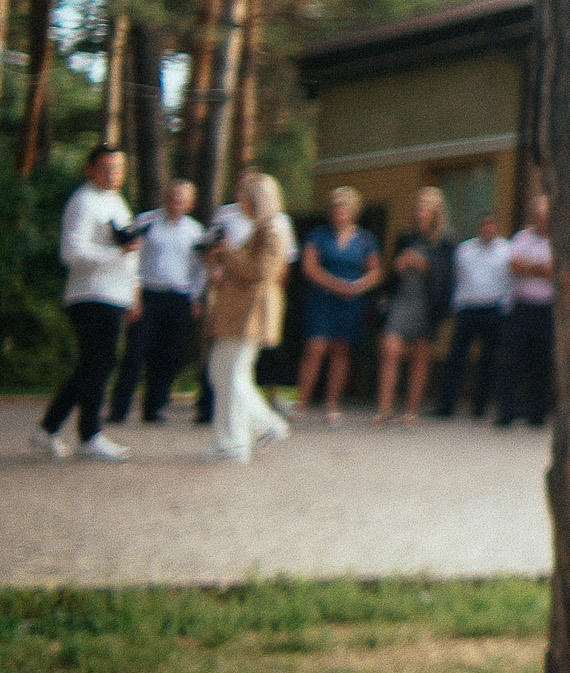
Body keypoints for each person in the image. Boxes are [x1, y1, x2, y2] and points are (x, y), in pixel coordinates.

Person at [33, 145, 141, 460]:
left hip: (114, 294)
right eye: (106, 167)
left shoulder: (116, 201)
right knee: (98, 364)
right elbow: (71, 252)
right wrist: (114, 254)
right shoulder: (83, 202)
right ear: (90, 169)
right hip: (91, 294)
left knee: (94, 365)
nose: (113, 173)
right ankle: (89, 434)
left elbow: (131, 251)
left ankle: (49, 429)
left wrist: (133, 291)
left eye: (118, 167)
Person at [203, 171, 295, 462]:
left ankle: (264, 425)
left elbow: (261, 272)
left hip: (250, 315)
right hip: (238, 313)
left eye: (243, 196)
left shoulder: (272, 230)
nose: (239, 201)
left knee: (231, 375)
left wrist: (228, 253)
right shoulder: (261, 229)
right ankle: (232, 442)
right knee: (223, 373)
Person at [108, 177, 207, 425]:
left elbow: (200, 269)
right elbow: (133, 260)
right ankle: (119, 409)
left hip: (179, 298)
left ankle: (154, 408)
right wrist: (134, 295)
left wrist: (195, 297)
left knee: (168, 356)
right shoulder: (146, 222)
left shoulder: (195, 231)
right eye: (173, 196)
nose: (176, 202)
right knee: (134, 353)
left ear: (190, 203)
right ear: (165, 197)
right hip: (148, 295)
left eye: (182, 199)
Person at [295, 186, 380, 425]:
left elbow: (375, 271)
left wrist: (358, 286)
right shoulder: (317, 235)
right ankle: (301, 403)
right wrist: (336, 284)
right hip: (322, 297)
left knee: (341, 350)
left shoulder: (365, 239)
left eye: (344, 209)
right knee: (315, 346)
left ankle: (332, 404)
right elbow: (309, 267)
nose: (339, 213)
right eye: (335, 209)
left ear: (353, 212)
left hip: (351, 300)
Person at [375, 186, 454, 425]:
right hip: (402, 298)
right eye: (418, 206)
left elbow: (446, 275)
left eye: (426, 206)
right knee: (390, 349)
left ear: (436, 210)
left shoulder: (445, 239)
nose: (421, 211)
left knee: (420, 355)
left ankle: (412, 410)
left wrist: (422, 263)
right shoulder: (406, 236)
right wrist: (398, 264)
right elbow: (392, 270)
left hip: (426, 302)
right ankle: (384, 408)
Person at [437, 211, 513, 418]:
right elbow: (458, 280)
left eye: (491, 225)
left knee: (487, 360)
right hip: (468, 309)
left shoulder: (507, 250)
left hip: (494, 309)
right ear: (478, 227)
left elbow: (510, 282)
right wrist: (457, 304)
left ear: (497, 227)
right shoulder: (465, 250)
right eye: (483, 225)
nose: (487, 229)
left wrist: (505, 306)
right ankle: (446, 406)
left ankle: (479, 407)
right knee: (456, 358)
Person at [492, 193, 553, 428]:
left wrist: (531, 268)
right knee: (511, 360)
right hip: (522, 306)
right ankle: (506, 412)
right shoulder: (522, 238)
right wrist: (540, 269)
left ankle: (536, 414)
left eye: (546, 216)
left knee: (541, 362)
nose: (542, 220)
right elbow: (514, 265)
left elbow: (553, 272)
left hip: (546, 308)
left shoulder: (557, 239)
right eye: (538, 215)